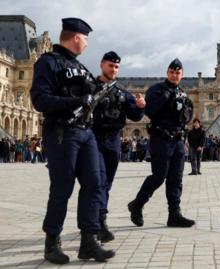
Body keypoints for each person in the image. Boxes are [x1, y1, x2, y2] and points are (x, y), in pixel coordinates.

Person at [30, 18, 115, 264]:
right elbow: (40, 100)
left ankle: (89, 241)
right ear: (76, 37)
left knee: (95, 184)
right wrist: (75, 102)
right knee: (62, 188)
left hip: (85, 133)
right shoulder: (48, 62)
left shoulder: (79, 65)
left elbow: (91, 94)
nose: (87, 44)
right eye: (86, 39)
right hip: (62, 133)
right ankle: (52, 242)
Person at [128, 58, 195, 228]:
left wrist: (183, 110)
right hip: (161, 139)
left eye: (177, 73)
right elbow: (149, 111)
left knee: (176, 178)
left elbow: (188, 117)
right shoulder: (156, 90)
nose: (174, 75)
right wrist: (166, 98)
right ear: (167, 73)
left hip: (178, 141)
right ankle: (137, 204)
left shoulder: (184, 95)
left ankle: (174, 214)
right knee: (159, 176)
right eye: (172, 72)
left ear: (182, 74)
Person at [92, 51, 145, 243]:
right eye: (110, 66)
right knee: (97, 181)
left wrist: (140, 106)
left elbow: (135, 116)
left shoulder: (122, 93)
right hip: (93, 139)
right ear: (102, 65)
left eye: (116, 67)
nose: (113, 69)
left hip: (113, 141)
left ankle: (99, 220)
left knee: (106, 183)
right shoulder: (90, 88)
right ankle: (99, 223)